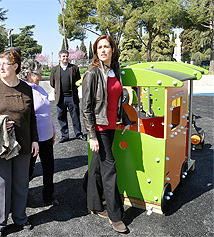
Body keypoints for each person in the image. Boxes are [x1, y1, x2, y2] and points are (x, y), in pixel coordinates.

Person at [0, 49, 39, 237]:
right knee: (1, 185)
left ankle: (20, 218)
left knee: (21, 183)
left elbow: (32, 117)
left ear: (16, 66)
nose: (1, 67)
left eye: (6, 64)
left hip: (24, 144)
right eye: (0, 63)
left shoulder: (26, 88)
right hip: (0, 145)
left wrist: (35, 140)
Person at [81, 35, 131, 233]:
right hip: (99, 129)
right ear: (96, 51)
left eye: (106, 47)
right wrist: (92, 135)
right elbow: (85, 108)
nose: (102, 50)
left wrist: (125, 119)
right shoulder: (92, 73)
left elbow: (116, 100)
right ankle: (115, 215)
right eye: (99, 47)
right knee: (109, 170)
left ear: (112, 49)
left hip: (111, 126)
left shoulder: (115, 70)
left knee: (96, 166)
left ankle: (94, 204)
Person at [19, 59, 59, 206]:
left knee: (49, 168)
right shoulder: (23, 90)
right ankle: (21, 198)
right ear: (29, 74)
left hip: (47, 136)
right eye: (39, 74)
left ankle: (48, 195)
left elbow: (46, 112)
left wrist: (53, 130)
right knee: (27, 170)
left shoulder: (40, 88)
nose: (41, 77)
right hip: (31, 138)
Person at [50, 49, 86, 143]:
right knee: (61, 117)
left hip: (72, 97)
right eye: (63, 56)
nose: (65, 58)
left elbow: (78, 80)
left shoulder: (74, 68)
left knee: (75, 117)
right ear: (59, 58)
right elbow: (52, 83)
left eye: (66, 56)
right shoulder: (54, 69)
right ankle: (65, 136)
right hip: (60, 98)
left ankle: (79, 134)